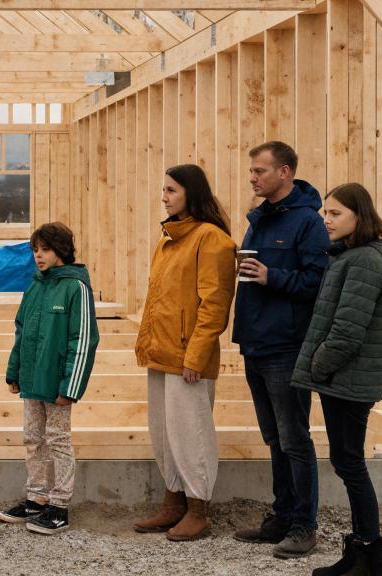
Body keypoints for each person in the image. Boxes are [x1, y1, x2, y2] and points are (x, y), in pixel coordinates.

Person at [232, 141, 331, 559]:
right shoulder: (260, 219)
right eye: (252, 171)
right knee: (274, 438)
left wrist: (273, 275)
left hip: (286, 347)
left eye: (260, 171)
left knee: (294, 439)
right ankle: (282, 516)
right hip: (256, 343)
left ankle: (304, 526)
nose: (252, 178)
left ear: (285, 172)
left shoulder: (308, 223)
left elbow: (316, 283)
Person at [292, 183, 382, 576]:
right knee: (345, 459)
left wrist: (318, 366)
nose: (326, 220)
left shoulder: (365, 262)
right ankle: (358, 552)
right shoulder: (349, 257)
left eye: (335, 213)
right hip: (342, 379)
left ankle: (371, 557)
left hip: (348, 380)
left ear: (359, 215)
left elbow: (347, 332)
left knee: (351, 463)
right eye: (325, 213)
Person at [130, 164, 237, 542]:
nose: (164, 196)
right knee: (164, 432)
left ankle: (197, 509)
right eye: (164, 190)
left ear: (192, 193)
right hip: (162, 352)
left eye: (171, 190)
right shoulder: (167, 240)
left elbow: (215, 305)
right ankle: (173, 502)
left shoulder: (212, 240)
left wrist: (195, 356)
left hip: (188, 357)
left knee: (191, 433)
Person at [0, 222, 99, 536]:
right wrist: (14, 371)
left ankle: (59, 506)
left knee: (57, 440)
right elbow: (21, 331)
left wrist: (70, 387)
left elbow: (83, 340)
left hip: (57, 385)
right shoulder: (35, 285)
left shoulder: (76, 288)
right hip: (32, 381)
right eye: (35, 250)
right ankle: (37, 498)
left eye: (45, 250)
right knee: (33, 439)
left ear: (62, 251)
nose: (38, 256)